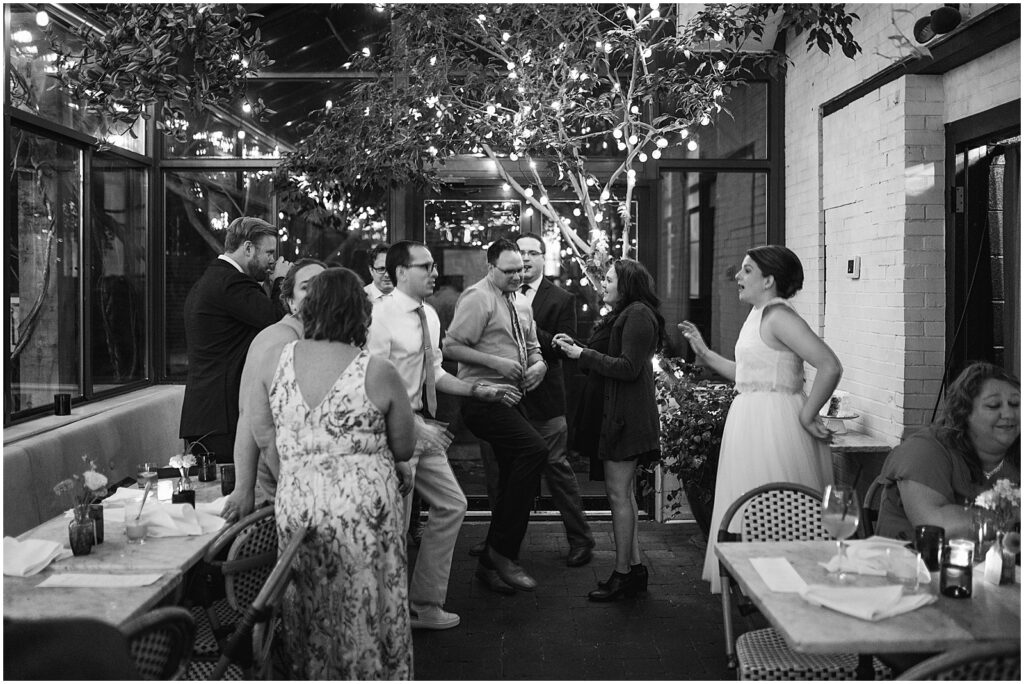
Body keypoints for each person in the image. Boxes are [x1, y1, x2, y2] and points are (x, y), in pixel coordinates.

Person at [250, 267, 416, 679]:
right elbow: (405, 447)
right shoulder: (377, 371)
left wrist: (299, 476)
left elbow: (262, 431)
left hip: (298, 507)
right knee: (368, 605)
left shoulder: (275, 360)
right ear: (360, 314)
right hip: (363, 515)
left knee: (308, 606)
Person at [367, 241, 521, 629]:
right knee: (396, 528)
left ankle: (423, 603)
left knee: (453, 505)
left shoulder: (430, 316)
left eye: (435, 266)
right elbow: (370, 385)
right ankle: (390, 616)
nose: (435, 273)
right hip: (392, 432)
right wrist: (412, 424)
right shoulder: (379, 317)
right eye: (425, 266)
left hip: (423, 427)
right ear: (401, 272)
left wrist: (477, 390)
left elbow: (434, 372)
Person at [680, 245, 842, 594]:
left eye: (747, 270)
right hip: (751, 421)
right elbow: (748, 374)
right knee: (755, 515)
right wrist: (705, 354)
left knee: (780, 518)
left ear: (769, 280)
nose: (738, 277)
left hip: (775, 426)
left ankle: (788, 597)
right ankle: (765, 594)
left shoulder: (779, 316)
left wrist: (808, 412)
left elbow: (829, 365)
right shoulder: (758, 314)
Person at [474, 233, 593, 567]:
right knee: (499, 473)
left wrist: (529, 327)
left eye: (531, 253)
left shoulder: (561, 298)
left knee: (557, 469)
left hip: (545, 400)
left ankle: (581, 539)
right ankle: (497, 545)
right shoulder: (494, 293)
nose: (525, 259)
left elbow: (564, 348)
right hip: (504, 398)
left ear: (543, 257)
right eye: (519, 252)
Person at [553, 259, 664, 601]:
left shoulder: (638, 315)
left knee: (618, 497)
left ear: (627, 284)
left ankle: (622, 574)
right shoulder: (626, 314)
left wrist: (581, 353)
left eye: (611, 279)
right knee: (624, 495)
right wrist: (577, 349)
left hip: (626, 419)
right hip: (617, 415)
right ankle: (633, 569)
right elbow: (609, 354)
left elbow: (629, 368)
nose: (604, 284)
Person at [443, 238, 549, 593]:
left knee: (509, 481)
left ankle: (488, 565)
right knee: (534, 450)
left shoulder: (520, 302)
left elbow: (533, 349)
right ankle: (503, 552)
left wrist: (540, 365)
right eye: (509, 271)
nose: (517, 276)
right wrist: (496, 362)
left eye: (520, 269)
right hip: (483, 399)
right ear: (490, 268)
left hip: (513, 398)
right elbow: (451, 346)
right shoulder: (478, 297)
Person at [219, 259, 327, 522]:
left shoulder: (321, 340)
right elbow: (249, 414)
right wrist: (243, 488)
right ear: (290, 301)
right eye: (306, 287)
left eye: (323, 286)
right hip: (281, 476)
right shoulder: (279, 338)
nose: (315, 294)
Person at [179, 216, 290, 463]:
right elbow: (277, 322)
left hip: (208, 417)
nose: (272, 261)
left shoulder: (215, 279)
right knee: (226, 497)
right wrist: (282, 281)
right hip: (222, 420)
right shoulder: (232, 283)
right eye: (269, 253)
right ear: (248, 248)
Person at [875, 362, 1021, 541]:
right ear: (964, 412)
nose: (1009, 414)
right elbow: (938, 526)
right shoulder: (925, 450)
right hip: (910, 564)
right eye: (993, 405)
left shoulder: (1012, 455)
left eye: (1015, 404)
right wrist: (1013, 516)